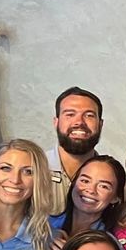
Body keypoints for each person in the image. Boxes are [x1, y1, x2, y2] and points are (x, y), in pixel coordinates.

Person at [47, 87, 104, 216]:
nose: (79, 122)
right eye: (70, 114)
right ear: (56, 122)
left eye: (89, 115)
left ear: (100, 125)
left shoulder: (114, 180)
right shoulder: (32, 170)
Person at [48, 154, 126, 239]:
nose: (91, 190)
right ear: (74, 183)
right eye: (85, 181)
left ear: (115, 198)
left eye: (103, 186)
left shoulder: (111, 243)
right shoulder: (44, 225)